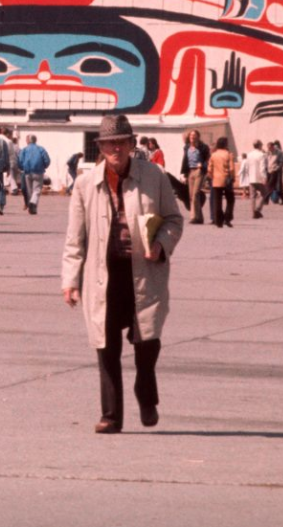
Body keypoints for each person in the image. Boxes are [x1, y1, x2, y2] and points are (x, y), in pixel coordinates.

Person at [62, 115, 184, 434]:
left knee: (147, 342)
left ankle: (145, 392)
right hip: (102, 276)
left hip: (144, 272)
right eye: (109, 144)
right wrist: (70, 280)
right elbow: (75, 237)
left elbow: (174, 219)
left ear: (131, 144)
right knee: (106, 346)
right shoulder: (85, 184)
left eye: (121, 142)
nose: (116, 148)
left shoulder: (154, 176)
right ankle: (111, 415)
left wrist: (161, 244)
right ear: (100, 148)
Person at [180, 129, 210, 224]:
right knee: (191, 196)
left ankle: (194, 217)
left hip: (199, 171)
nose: (192, 137)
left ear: (198, 137)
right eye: (191, 135)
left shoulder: (203, 147)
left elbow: (208, 159)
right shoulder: (187, 147)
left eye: (194, 135)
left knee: (196, 194)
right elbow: (185, 160)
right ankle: (199, 217)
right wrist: (184, 174)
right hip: (190, 171)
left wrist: (203, 165)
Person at [207, 137, 237, 228]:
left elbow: (209, 169)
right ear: (225, 144)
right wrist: (233, 178)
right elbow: (231, 169)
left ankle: (218, 220)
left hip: (216, 180)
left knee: (217, 201)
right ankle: (227, 218)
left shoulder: (213, 155)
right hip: (227, 180)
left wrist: (212, 177)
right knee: (230, 200)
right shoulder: (228, 154)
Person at [18, 135, 51, 215]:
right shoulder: (41, 149)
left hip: (27, 172)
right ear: (35, 140)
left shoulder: (24, 149)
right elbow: (47, 160)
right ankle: (33, 204)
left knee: (30, 191)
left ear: (28, 141)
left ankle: (32, 208)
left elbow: (20, 160)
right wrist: (44, 166)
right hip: (38, 172)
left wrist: (22, 168)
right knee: (37, 190)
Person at [241, 140, 269, 219]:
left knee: (252, 196)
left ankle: (253, 213)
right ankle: (258, 209)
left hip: (251, 178)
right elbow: (262, 168)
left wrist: (248, 175)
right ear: (259, 145)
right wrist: (264, 177)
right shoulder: (261, 155)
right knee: (264, 193)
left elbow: (247, 166)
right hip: (259, 177)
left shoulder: (249, 154)